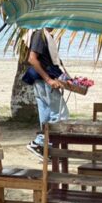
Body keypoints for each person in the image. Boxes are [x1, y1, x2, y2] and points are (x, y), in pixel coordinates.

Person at [24, 28, 68, 158]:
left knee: (46, 116)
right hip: (44, 81)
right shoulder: (40, 35)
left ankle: (45, 149)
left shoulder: (45, 35)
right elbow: (32, 59)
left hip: (41, 81)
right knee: (61, 114)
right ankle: (39, 142)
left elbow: (48, 61)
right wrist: (49, 80)